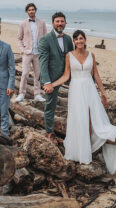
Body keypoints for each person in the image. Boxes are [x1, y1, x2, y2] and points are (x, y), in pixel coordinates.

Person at [46, 30, 116, 174]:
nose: (79, 41)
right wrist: (52, 84)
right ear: (74, 41)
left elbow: (96, 74)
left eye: (81, 38)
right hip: (76, 89)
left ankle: (88, 148)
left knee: (92, 118)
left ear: (85, 39)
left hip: (89, 89)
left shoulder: (91, 55)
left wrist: (103, 93)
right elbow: (66, 75)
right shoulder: (69, 56)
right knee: (79, 119)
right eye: (76, 39)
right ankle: (80, 150)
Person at [40, 12, 74, 143]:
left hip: (67, 76)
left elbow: (71, 57)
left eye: (62, 21)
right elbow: (42, 62)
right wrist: (47, 82)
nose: (60, 24)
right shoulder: (45, 39)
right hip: (51, 78)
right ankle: (49, 131)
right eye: (57, 21)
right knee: (50, 105)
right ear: (53, 23)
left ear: (65, 23)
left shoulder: (68, 39)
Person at [16, 3, 47, 102]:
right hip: (27, 53)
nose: (31, 11)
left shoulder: (42, 22)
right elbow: (19, 38)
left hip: (38, 53)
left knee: (38, 75)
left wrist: (44, 51)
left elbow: (45, 38)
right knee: (25, 73)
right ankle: (21, 93)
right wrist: (22, 49)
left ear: (35, 10)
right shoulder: (22, 23)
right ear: (27, 11)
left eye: (33, 9)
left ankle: (37, 94)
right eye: (29, 10)